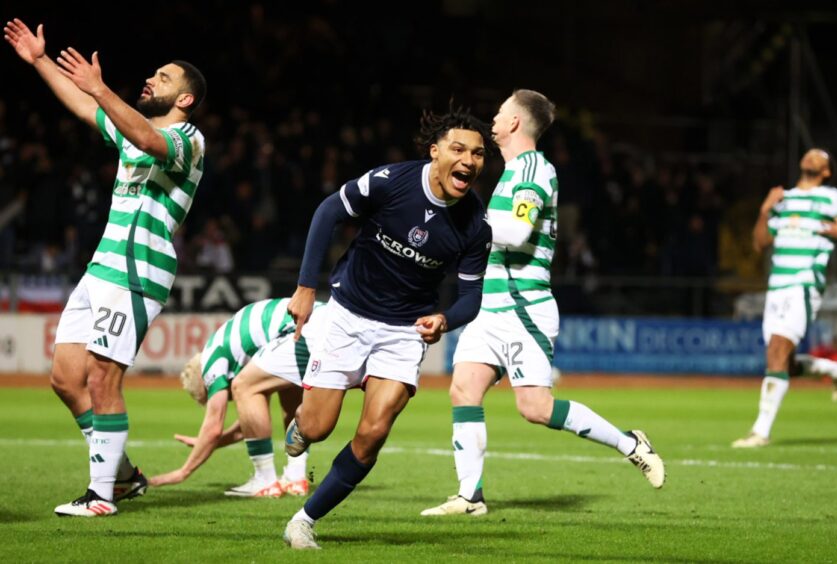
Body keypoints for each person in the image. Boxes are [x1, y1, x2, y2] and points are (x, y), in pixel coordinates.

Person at [421, 90, 665, 518]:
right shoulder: (512, 171)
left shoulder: (533, 168)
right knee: (463, 387)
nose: (492, 119)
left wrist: (464, 225)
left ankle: (631, 443)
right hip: (491, 308)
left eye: (499, 113)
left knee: (535, 408)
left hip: (521, 307)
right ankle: (470, 496)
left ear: (515, 122)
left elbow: (515, 233)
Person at [4, 18, 206, 516]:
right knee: (66, 378)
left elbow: (149, 139)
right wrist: (38, 61)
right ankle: (123, 476)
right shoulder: (130, 135)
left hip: (138, 271)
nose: (150, 80)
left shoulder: (188, 139)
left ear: (185, 99)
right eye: (153, 74)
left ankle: (100, 497)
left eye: (163, 78)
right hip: (101, 269)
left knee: (101, 378)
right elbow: (86, 106)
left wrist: (100, 89)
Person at [281, 106, 493, 549]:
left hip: (403, 331)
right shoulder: (390, 182)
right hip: (347, 314)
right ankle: (302, 421)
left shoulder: (476, 223)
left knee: (374, 433)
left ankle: (304, 520)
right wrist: (304, 287)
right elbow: (327, 212)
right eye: (458, 149)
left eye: (478, 154)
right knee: (318, 428)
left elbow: (472, 298)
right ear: (435, 152)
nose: (469, 161)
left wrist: (445, 319)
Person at [733, 148, 837, 448]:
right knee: (784, 363)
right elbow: (759, 243)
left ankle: (760, 432)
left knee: (777, 351)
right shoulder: (785, 198)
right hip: (776, 287)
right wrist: (765, 209)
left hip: (802, 284)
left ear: (826, 171)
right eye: (810, 154)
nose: (812, 156)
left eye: (820, 156)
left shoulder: (833, 197)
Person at [149, 298, 326, 497]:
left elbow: (214, 427)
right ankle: (296, 477)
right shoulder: (238, 353)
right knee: (287, 392)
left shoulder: (211, 360)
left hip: (303, 327)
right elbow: (250, 423)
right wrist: (207, 442)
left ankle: (264, 480)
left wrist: (183, 472)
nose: (228, 400)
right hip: (318, 321)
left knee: (243, 386)